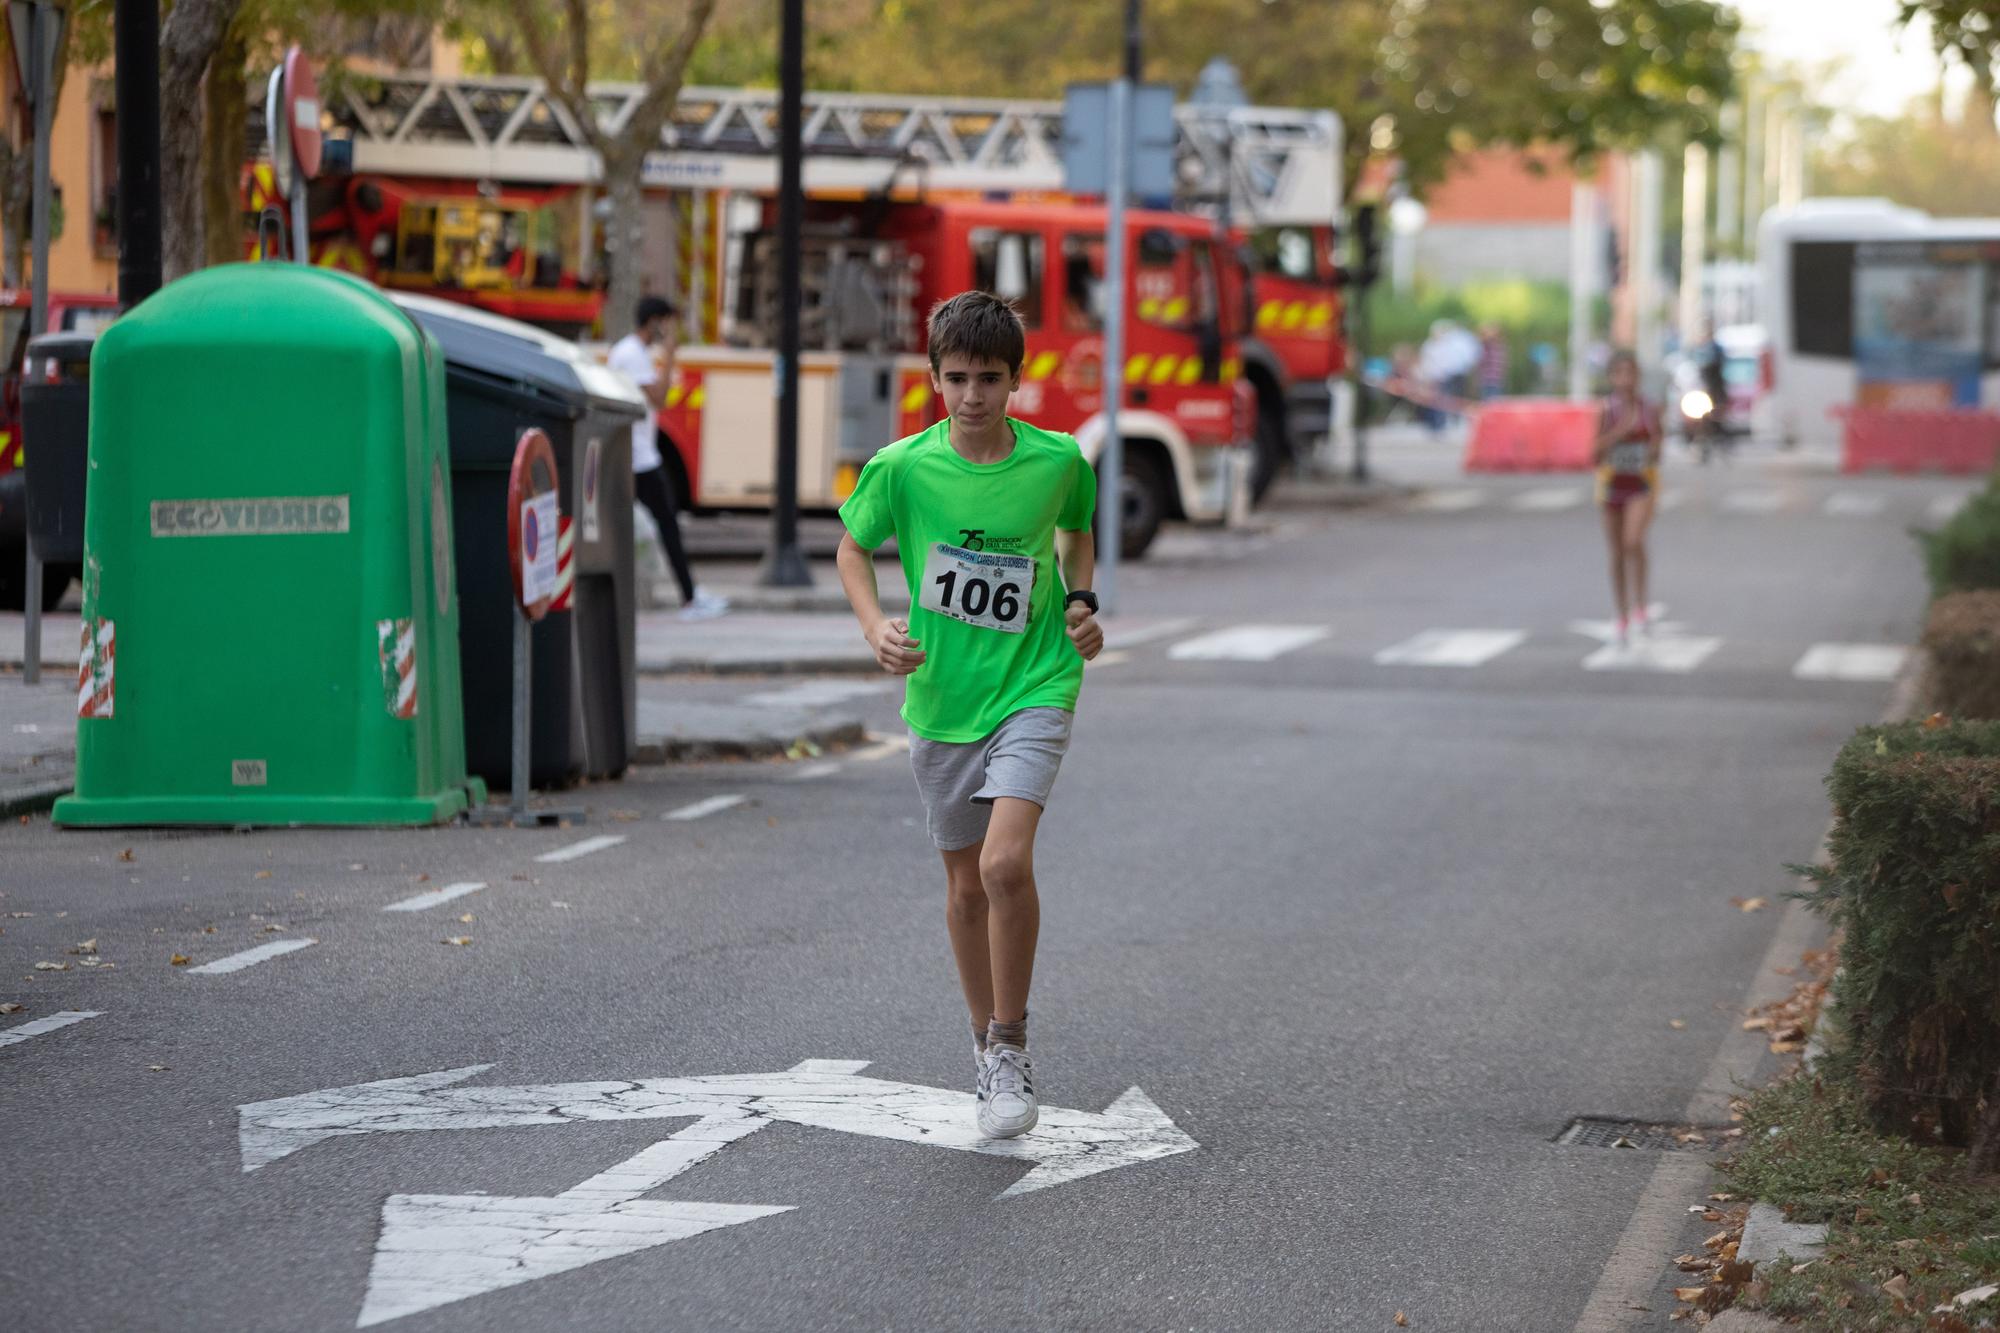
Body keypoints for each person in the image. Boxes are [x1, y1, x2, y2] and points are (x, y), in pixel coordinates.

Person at [834, 291, 1103, 1140]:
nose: (974, 396)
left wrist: (1083, 603)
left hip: (1036, 682)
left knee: (1003, 864)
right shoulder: (904, 468)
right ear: (934, 379)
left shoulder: (1058, 460)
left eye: (990, 378)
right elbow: (852, 546)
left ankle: (1013, 1043)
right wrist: (877, 624)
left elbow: (1076, 531)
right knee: (962, 887)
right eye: (957, 379)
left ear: (1017, 380)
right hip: (943, 698)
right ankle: (986, 1049)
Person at [607, 296, 729, 621]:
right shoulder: (633, 355)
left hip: (636, 453)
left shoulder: (628, 351)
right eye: (666, 322)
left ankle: (689, 595)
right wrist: (671, 357)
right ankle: (689, 598)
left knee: (649, 524)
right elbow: (659, 399)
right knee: (667, 525)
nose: (668, 329)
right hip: (639, 457)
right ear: (654, 322)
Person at [1593, 349, 1663, 646]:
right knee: (1617, 551)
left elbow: (1658, 447)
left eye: (1630, 372)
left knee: (1632, 540)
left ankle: (1641, 605)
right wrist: (1617, 434)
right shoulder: (1606, 410)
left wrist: (1650, 449)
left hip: (1641, 484)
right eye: (1619, 373)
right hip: (1612, 484)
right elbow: (1594, 453)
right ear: (1611, 377)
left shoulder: (1650, 408)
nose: (1626, 379)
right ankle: (1621, 612)